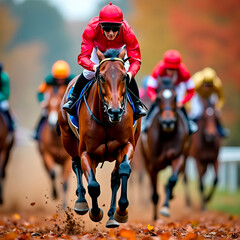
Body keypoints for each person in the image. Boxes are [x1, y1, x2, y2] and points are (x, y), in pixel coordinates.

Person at [63, 2, 146, 120]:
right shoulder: (91, 28)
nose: (111, 33)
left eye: (115, 29)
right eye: (107, 28)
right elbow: (83, 57)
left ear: (121, 26)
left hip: (118, 50)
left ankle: (137, 105)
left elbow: (136, 60)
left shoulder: (127, 31)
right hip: (99, 50)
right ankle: (72, 99)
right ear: (100, 25)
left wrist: (130, 74)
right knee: (89, 73)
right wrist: (94, 67)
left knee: (125, 72)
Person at [142, 49, 198, 134]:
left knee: (179, 104)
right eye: (169, 69)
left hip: (177, 87)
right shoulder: (158, 69)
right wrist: (153, 96)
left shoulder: (184, 73)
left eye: (174, 69)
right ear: (165, 66)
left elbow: (191, 91)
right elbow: (150, 88)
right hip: (161, 88)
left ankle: (188, 123)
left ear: (178, 67)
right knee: (155, 102)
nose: (171, 72)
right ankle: (146, 122)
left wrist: (182, 102)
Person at [32, 60, 74, 140]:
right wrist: (42, 101)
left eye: (63, 79)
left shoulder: (71, 80)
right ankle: (36, 132)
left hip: (66, 102)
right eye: (58, 78)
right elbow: (40, 92)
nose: (60, 81)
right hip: (52, 102)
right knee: (44, 113)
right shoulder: (48, 80)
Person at [189, 67, 229, 138]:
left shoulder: (217, 85)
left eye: (210, 85)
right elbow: (189, 94)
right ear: (202, 83)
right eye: (206, 85)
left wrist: (217, 107)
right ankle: (191, 127)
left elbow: (221, 98)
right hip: (198, 94)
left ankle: (221, 130)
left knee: (215, 113)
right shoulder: (196, 82)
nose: (207, 88)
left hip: (210, 95)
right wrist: (189, 107)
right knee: (196, 112)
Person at [0, 63, 15, 132]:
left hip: (2, 100)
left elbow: (6, 94)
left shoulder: (4, 78)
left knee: (5, 107)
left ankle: (11, 126)